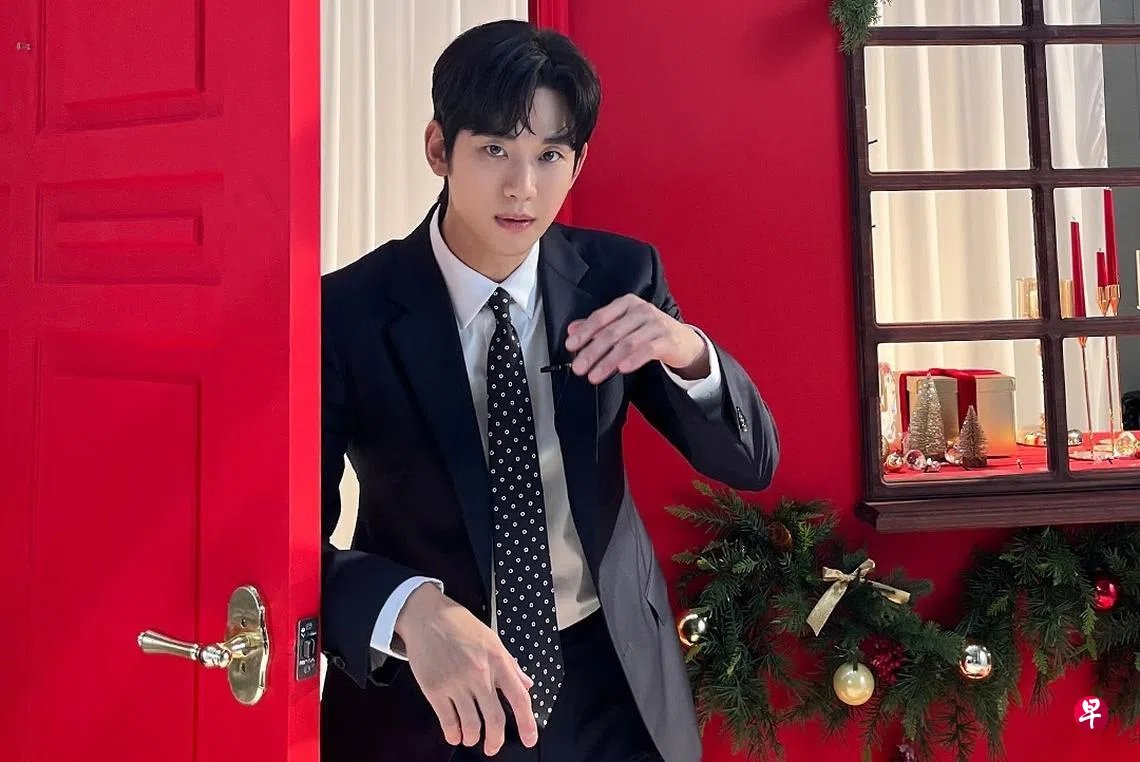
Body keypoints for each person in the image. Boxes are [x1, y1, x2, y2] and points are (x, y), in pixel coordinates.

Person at [320, 19, 779, 762]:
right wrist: (407, 608)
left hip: (612, 686)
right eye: (495, 150)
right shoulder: (347, 312)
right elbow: (282, 547)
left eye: (549, 155)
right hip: (431, 695)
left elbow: (750, 464)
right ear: (439, 148)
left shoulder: (621, 278)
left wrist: (687, 351)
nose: (522, 188)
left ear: (578, 162)